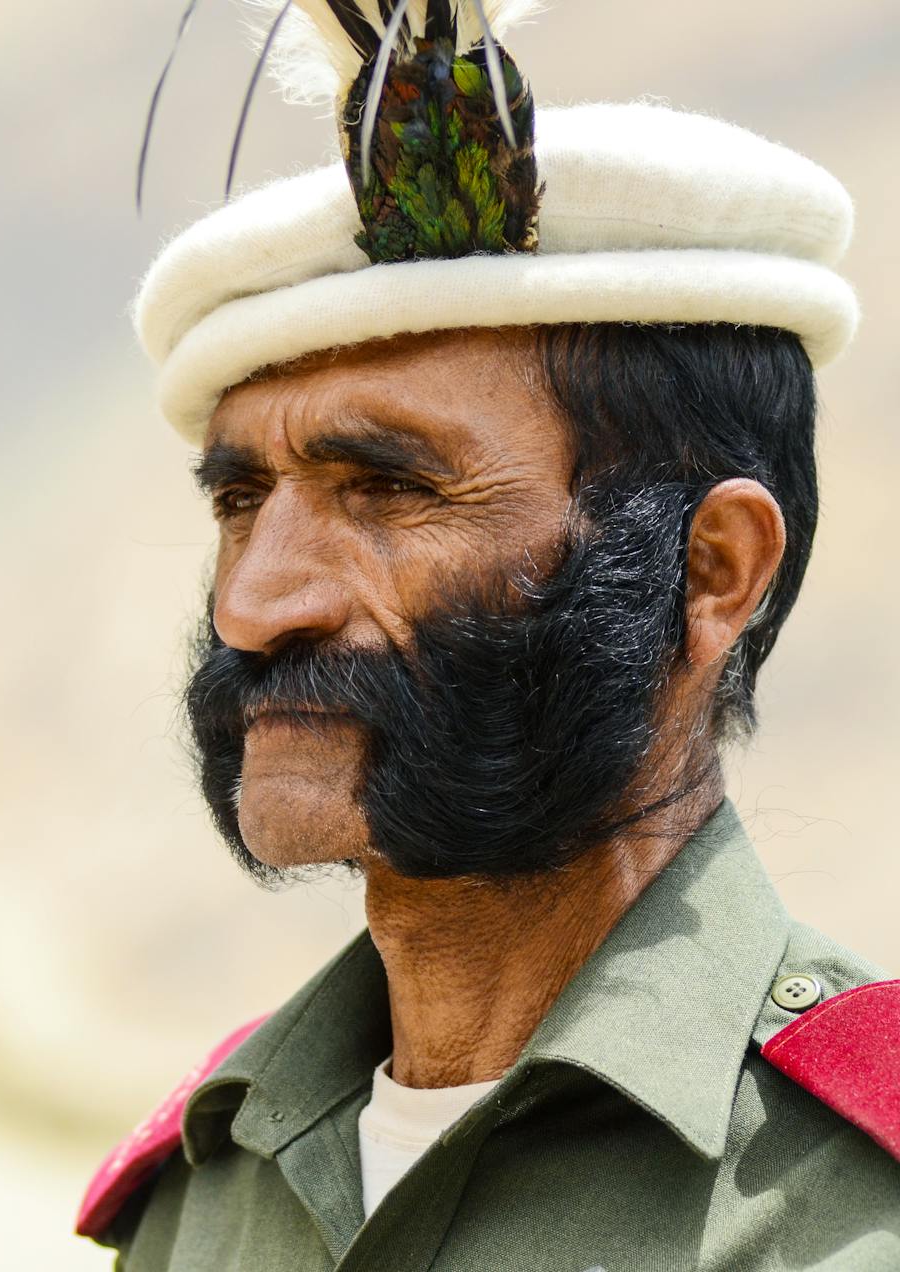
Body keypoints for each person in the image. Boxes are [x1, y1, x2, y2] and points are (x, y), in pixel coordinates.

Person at [77, 2, 900, 1268]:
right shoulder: (199, 1198)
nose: (256, 603)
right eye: (244, 501)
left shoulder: (860, 1209)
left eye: (391, 490)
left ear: (712, 570)